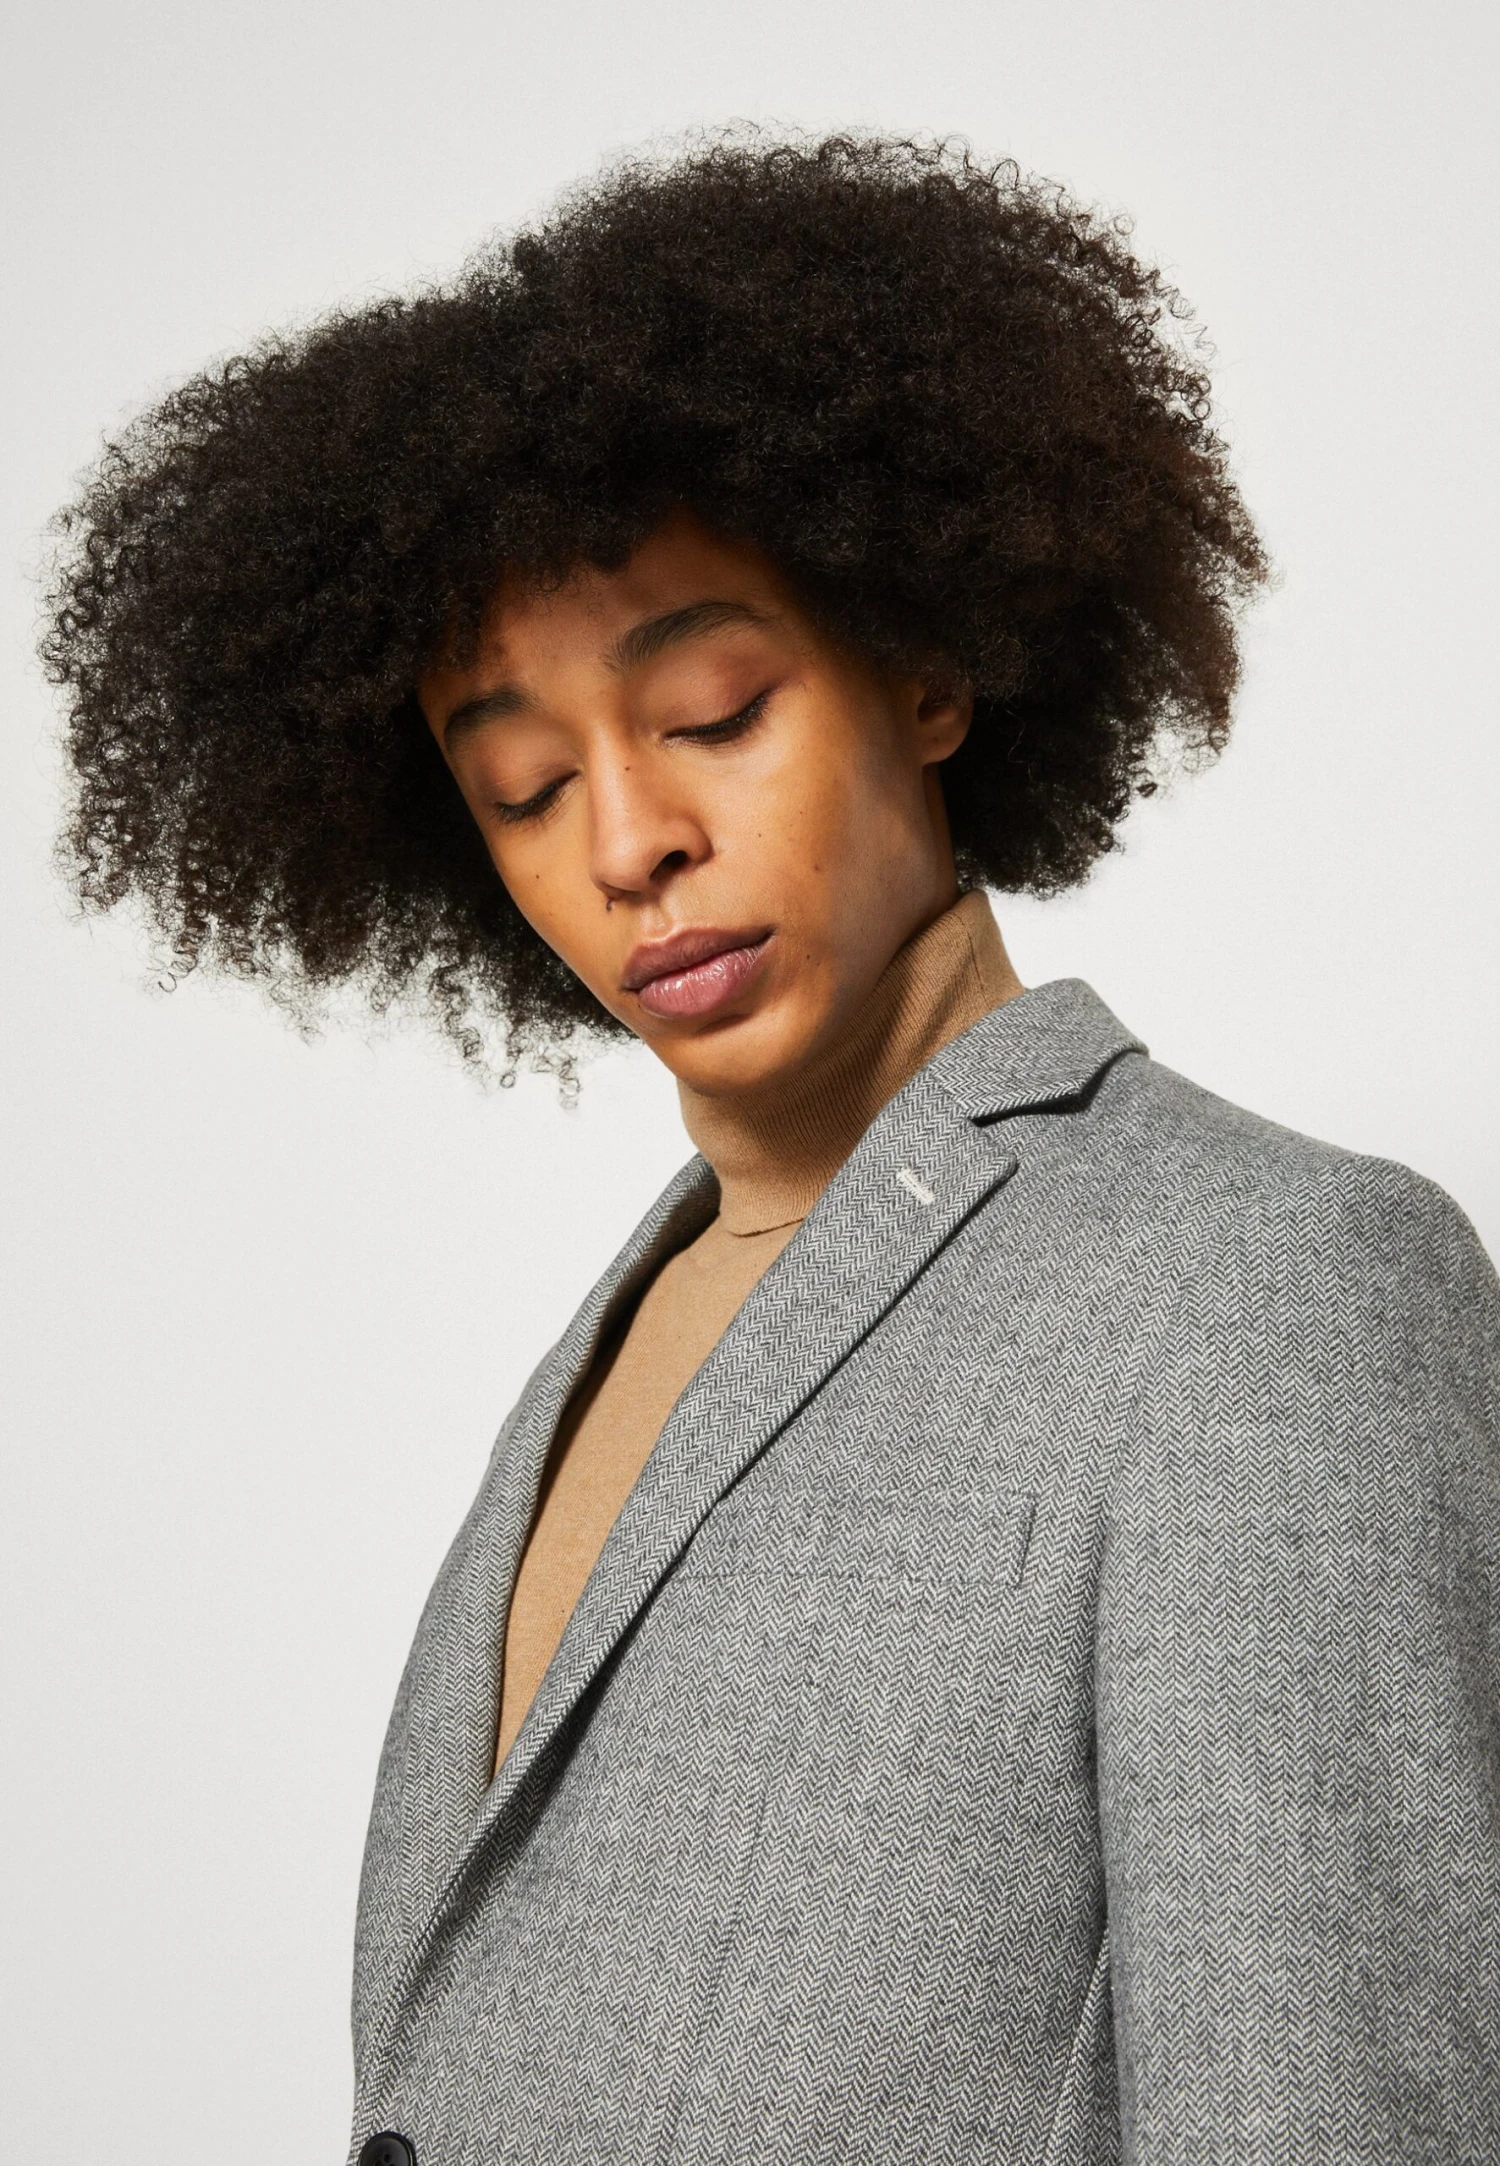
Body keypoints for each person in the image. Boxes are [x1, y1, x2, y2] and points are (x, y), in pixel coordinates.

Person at [43, 135, 1500, 2166]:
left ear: (926, 668)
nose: (630, 841)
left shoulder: (1270, 1292)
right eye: (525, 786)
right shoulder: (612, 1346)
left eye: (716, 710)